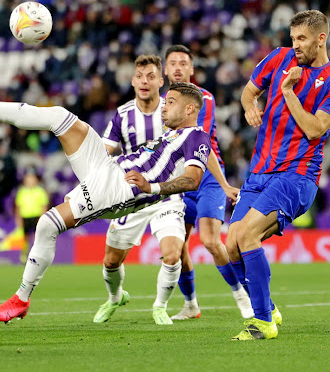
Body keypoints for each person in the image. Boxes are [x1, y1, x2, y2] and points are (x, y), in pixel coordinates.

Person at [0, 79, 213, 323]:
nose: (163, 107)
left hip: (118, 190)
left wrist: (151, 186)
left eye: (171, 103)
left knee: (47, 224)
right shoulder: (171, 134)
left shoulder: (197, 137)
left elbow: (192, 179)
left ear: (190, 109)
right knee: (59, 116)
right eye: (165, 102)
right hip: (108, 166)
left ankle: (21, 298)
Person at [226, 10, 330, 341]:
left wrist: (288, 93)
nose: (295, 45)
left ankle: (263, 322)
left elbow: (313, 129)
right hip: (259, 172)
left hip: (297, 176)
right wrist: (249, 106)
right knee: (231, 245)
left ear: (320, 38)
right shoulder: (278, 57)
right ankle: (267, 305)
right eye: (293, 38)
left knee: (247, 235)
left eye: (302, 39)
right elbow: (248, 91)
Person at [94, 54, 229, 325]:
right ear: (132, 82)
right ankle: (114, 297)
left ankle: (160, 306)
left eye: (150, 77)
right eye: (140, 77)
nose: (145, 82)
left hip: (166, 196)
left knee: (172, 253)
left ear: (161, 80)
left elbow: (201, 146)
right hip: (131, 194)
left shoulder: (173, 110)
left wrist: (223, 184)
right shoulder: (123, 115)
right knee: (111, 261)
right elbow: (102, 153)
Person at [162, 45, 251, 321]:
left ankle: (242, 296)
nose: (177, 67)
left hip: (207, 177)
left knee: (211, 241)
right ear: (165, 70)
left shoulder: (203, 99)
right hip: (178, 180)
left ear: (191, 69)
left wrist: (224, 185)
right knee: (178, 247)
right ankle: (190, 305)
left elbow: (201, 141)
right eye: (172, 63)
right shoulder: (159, 104)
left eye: (183, 63)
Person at [15, 172, 50, 262]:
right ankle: (24, 254)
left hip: (36, 216)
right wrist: (18, 218)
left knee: (37, 237)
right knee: (25, 237)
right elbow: (18, 206)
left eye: (32, 179)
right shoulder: (22, 191)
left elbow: (44, 206)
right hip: (25, 217)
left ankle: (36, 255)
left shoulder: (40, 191)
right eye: (28, 180)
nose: (30, 182)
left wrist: (42, 218)